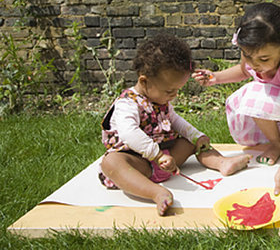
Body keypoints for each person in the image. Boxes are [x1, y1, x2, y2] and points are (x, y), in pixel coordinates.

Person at [99, 33, 251, 216]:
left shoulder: (160, 99)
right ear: (144, 81)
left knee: (189, 141)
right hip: (139, 164)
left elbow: (176, 120)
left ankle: (221, 162)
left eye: (177, 90)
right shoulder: (127, 104)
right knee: (111, 162)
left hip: (166, 161)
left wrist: (196, 135)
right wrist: (156, 155)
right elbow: (128, 133)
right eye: (170, 90)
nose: (174, 95)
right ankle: (155, 192)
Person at [192, 3, 280, 195]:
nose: (255, 64)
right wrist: (216, 77)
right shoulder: (253, 53)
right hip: (273, 99)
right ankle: (275, 142)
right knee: (253, 96)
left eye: (264, 59)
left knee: (259, 95)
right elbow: (244, 70)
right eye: (247, 56)